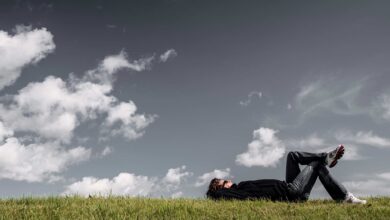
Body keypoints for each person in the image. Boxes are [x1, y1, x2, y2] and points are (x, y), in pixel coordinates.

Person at [206, 145, 366, 204]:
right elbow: (217, 195)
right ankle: (345, 197)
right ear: (221, 188)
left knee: (292, 156)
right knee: (317, 165)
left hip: (288, 186)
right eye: (223, 182)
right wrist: (216, 188)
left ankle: (326, 157)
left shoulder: (240, 187)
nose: (227, 180)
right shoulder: (232, 194)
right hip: (290, 192)